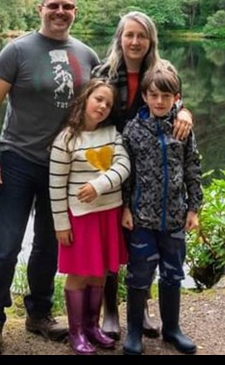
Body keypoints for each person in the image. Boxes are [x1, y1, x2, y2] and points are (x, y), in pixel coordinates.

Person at [0, 0, 101, 356]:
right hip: (17, 159)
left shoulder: (87, 55)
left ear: (75, 12)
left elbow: (107, 103)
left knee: (49, 243)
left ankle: (39, 314)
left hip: (63, 167)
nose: (60, 11)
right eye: (54, 5)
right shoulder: (17, 51)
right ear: (40, 8)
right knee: (6, 242)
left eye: (68, 6)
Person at [91, 11, 194, 340]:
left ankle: (145, 309)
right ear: (120, 38)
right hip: (109, 163)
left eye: (142, 36)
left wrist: (187, 112)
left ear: (151, 41)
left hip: (153, 167)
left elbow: (176, 102)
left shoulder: (160, 73)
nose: (135, 41)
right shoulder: (103, 73)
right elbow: (90, 110)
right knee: (111, 237)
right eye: (129, 35)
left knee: (144, 246)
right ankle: (110, 310)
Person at [120, 61, 203, 355]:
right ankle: (132, 333)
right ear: (144, 96)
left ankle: (172, 329)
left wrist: (194, 208)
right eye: (153, 95)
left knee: (173, 273)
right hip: (142, 217)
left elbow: (193, 167)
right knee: (139, 274)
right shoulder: (132, 130)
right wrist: (126, 209)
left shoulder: (182, 129)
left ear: (176, 98)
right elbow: (125, 174)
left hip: (175, 218)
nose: (159, 101)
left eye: (165, 97)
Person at [49, 78, 131, 354]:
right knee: (80, 274)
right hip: (80, 217)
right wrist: (61, 223)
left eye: (108, 104)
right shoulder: (66, 139)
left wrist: (99, 185)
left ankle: (93, 327)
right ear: (85, 98)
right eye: (98, 99)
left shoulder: (112, 134)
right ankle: (76, 333)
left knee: (101, 273)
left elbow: (123, 166)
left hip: (108, 214)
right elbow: (56, 186)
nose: (103, 106)